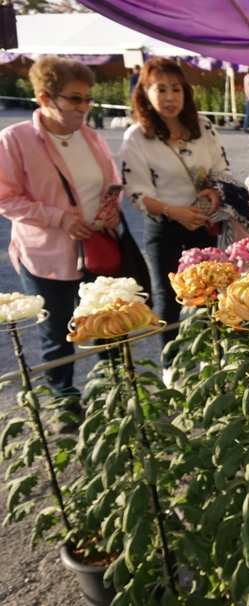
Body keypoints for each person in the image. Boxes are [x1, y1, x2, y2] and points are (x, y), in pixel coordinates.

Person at [0, 56, 121, 427]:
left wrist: (111, 211)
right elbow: (5, 197)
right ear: (44, 98)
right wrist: (59, 217)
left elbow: (111, 185)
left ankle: (110, 392)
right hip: (46, 254)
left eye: (88, 100)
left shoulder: (92, 137)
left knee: (103, 321)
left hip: (94, 251)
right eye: (74, 99)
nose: (84, 108)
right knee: (55, 330)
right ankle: (64, 401)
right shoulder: (15, 139)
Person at [119, 57, 227, 366]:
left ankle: (211, 359)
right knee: (168, 298)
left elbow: (221, 171)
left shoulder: (203, 127)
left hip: (203, 223)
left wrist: (213, 195)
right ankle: (173, 367)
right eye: (160, 89)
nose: (170, 97)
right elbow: (137, 192)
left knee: (209, 293)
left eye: (176, 89)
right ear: (145, 94)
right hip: (163, 227)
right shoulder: (137, 137)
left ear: (186, 93)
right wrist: (174, 211)